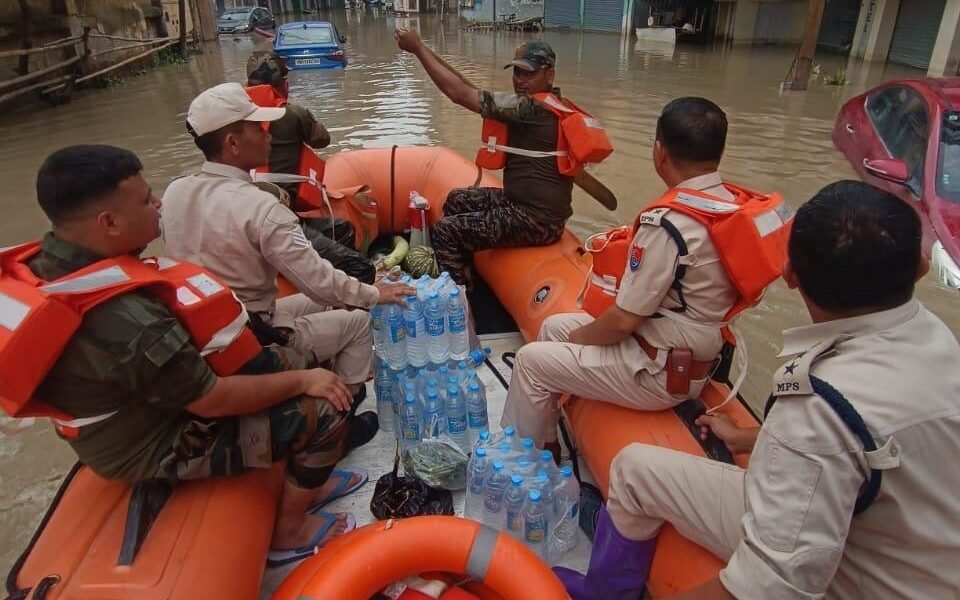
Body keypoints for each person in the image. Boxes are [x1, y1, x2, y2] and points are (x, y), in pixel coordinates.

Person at [556, 180, 960, 599]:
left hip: (861, 577)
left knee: (633, 471)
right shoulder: (940, 342)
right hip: (901, 546)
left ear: (788, 274)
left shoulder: (819, 401)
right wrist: (752, 436)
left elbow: (769, 587)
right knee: (636, 468)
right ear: (920, 268)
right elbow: (871, 445)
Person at [12, 145, 372, 565]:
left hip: (138, 402)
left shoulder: (53, 261)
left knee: (285, 358)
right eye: (146, 200)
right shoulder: (127, 320)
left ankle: (311, 480)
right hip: (153, 439)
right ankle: (290, 531)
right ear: (107, 222)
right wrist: (306, 381)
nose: (158, 204)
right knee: (323, 407)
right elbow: (210, 399)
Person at [502, 98, 785, 459]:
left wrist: (580, 339)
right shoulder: (731, 207)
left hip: (660, 372)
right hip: (682, 351)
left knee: (531, 361)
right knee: (553, 328)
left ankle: (516, 463)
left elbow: (622, 321)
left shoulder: (668, 225)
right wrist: (574, 337)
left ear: (659, 151)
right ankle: (546, 442)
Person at [161, 83, 415, 448]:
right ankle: (338, 423)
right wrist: (375, 293)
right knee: (358, 321)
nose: (269, 135)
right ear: (233, 143)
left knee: (338, 302)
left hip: (217, 321)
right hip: (253, 334)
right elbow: (319, 281)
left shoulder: (175, 191)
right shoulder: (261, 209)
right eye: (258, 128)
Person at [395, 31, 577, 286]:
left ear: (550, 74)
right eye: (517, 73)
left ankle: (457, 302)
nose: (520, 81)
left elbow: (459, 95)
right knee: (457, 199)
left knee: (446, 230)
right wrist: (422, 46)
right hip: (521, 202)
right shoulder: (547, 103)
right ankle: (466, 269)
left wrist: (417, 50)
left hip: (537, 220)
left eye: (529, 74)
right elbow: (467, 88)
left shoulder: (531, 109)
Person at [246, 51, 376, 283]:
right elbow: (322, 139)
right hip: (279, 217)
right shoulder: (292, 114)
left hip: (254, 216)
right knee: (350, 246)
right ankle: (343, 300)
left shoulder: (233, 117)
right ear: (283, 84)